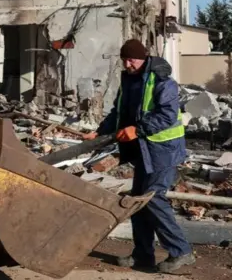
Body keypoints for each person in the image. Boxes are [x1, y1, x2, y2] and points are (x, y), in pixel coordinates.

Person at [83, 39, 195, 273]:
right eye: (124, 59)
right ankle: (143, 255)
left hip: (163, 150)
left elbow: (166, 115)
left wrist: (138, 130)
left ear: (144, 58)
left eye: (131, 59)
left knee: (153, 199)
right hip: (144, 151)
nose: (127, 63)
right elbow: (119, 113)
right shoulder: (129, 80)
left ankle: (181, 252)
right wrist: (100, 131)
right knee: (138, 201)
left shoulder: (162, 81)